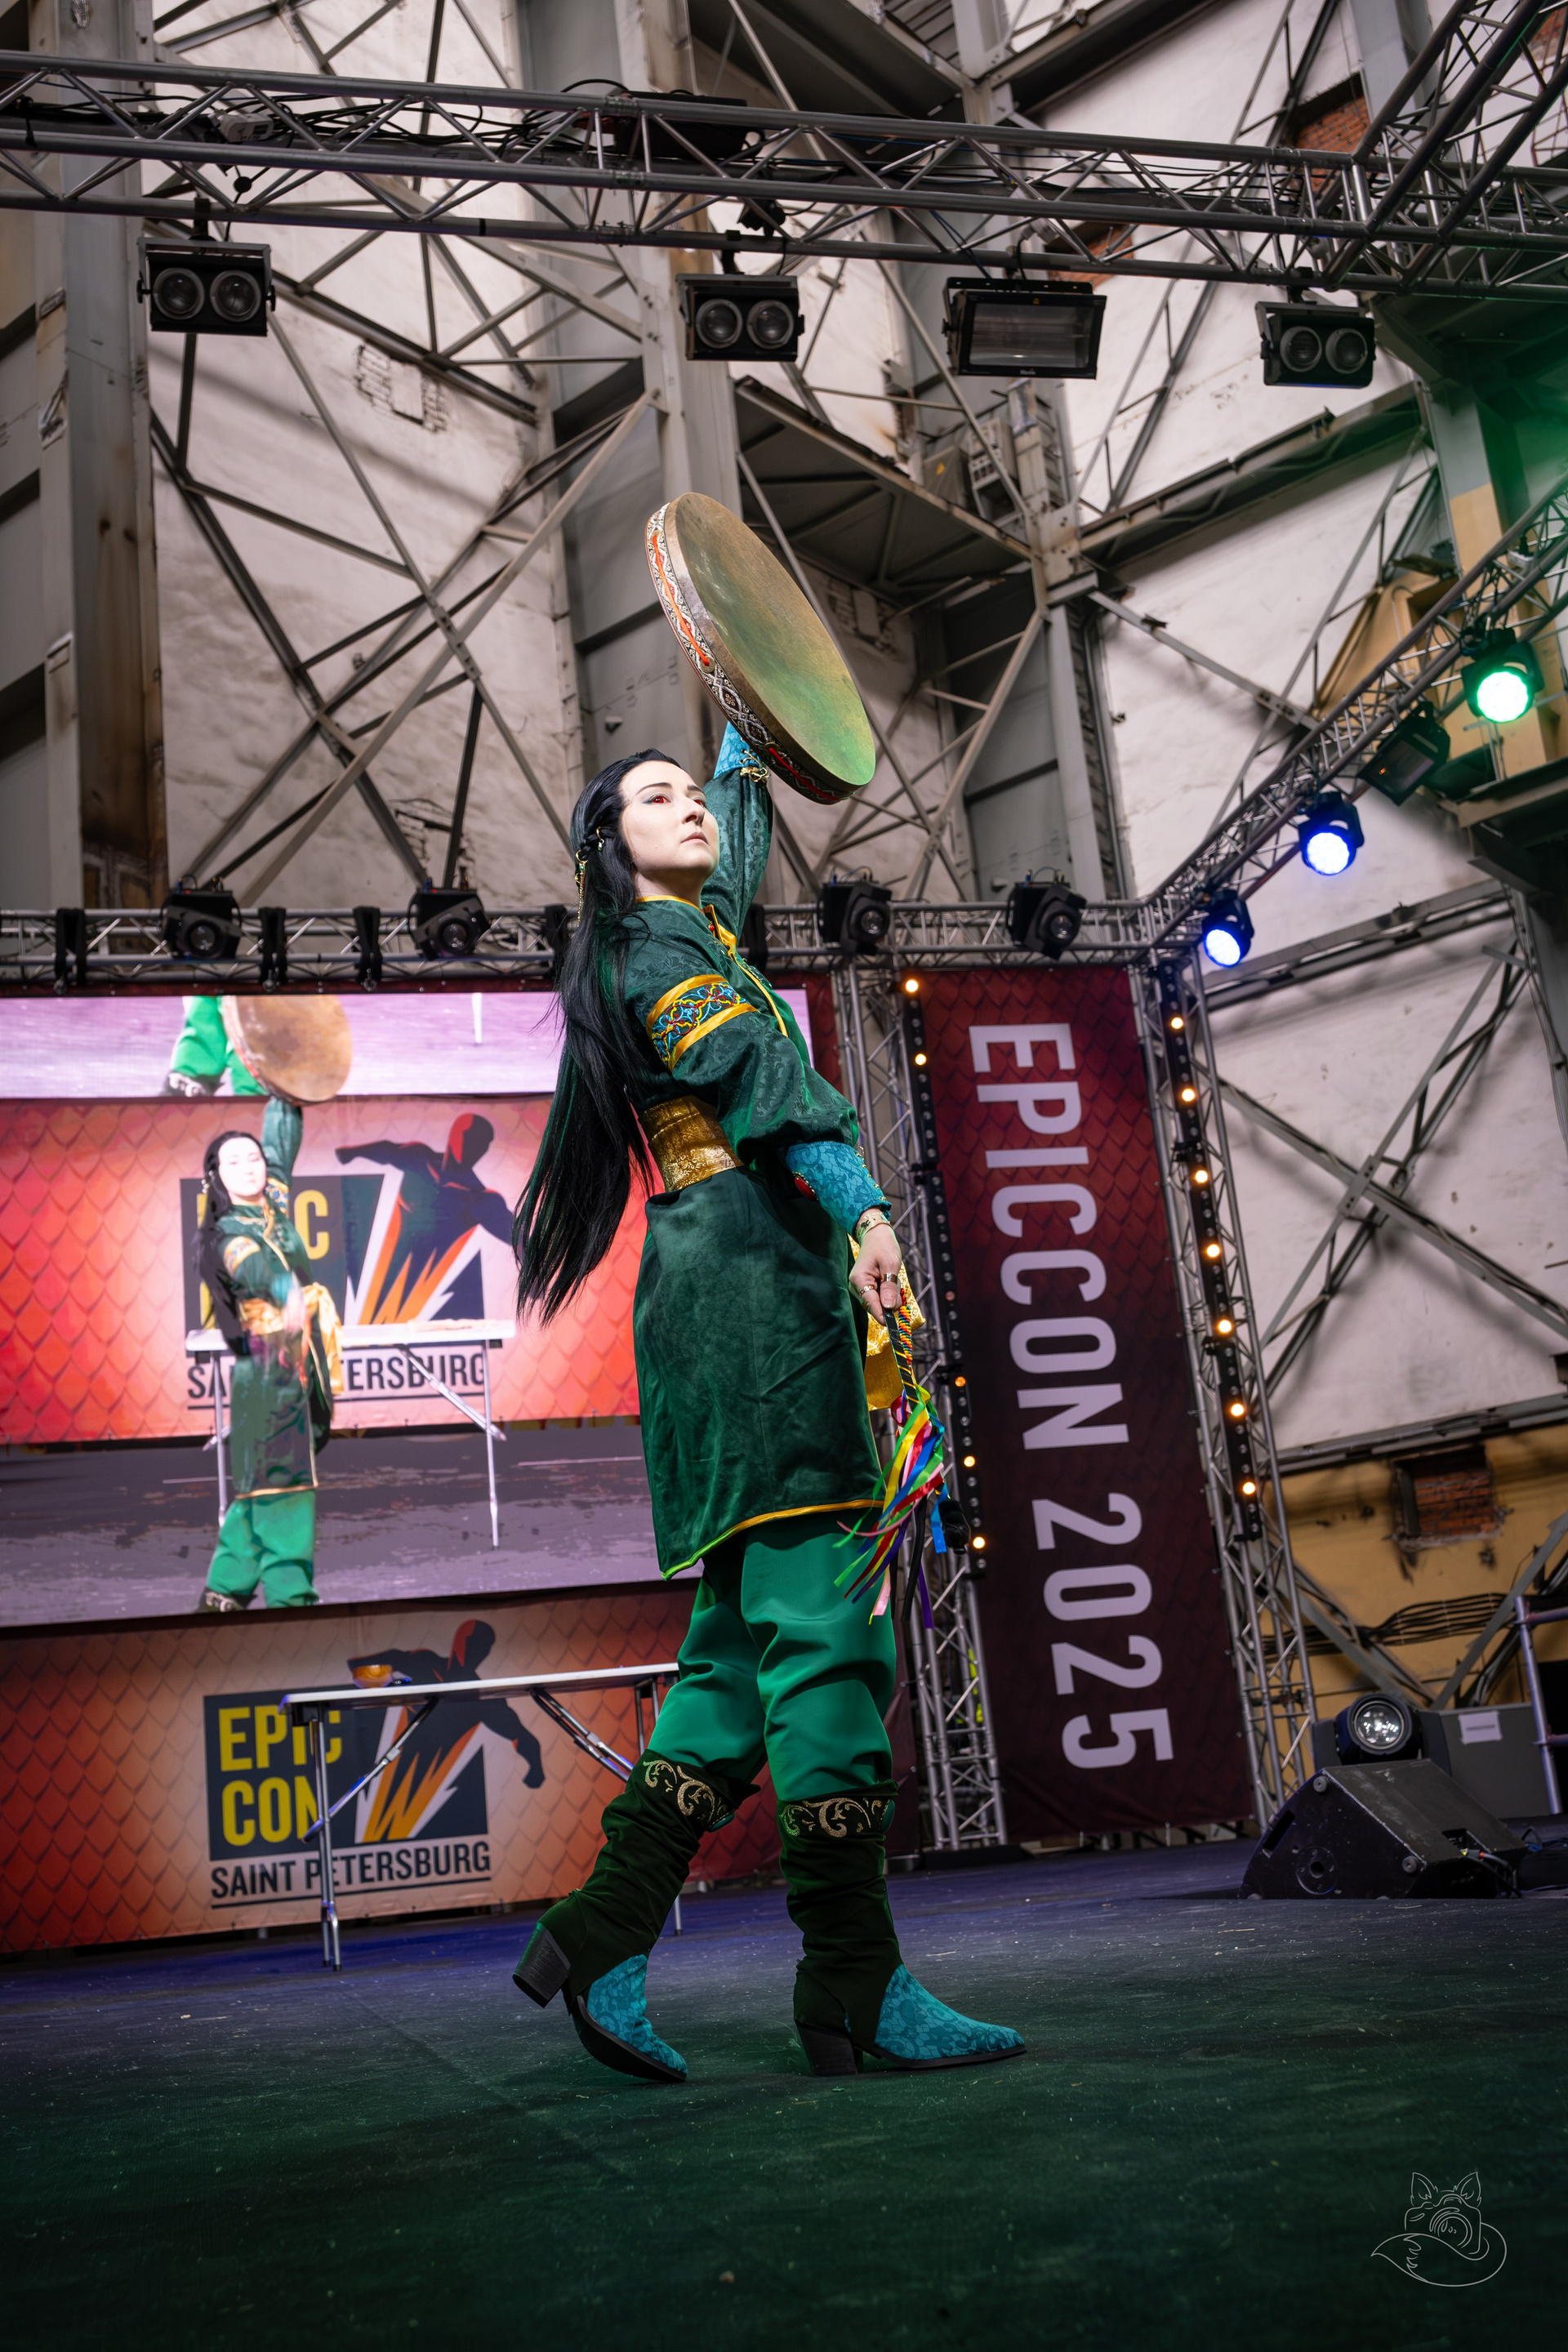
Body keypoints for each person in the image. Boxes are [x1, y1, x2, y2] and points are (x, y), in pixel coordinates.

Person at [510, 724, 1023, 2082]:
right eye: (655, 796)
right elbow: (766, 1088)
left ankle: (603, 1931)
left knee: (737, 1661)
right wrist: (865, 1212)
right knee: (831, 1638)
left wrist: (747, 727)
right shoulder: (653, 953)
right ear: (606, 844)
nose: (687, 806)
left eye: (692, 791)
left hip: (730, 1297)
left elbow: (731, 856)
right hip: (754, 1303)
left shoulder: (691, 933)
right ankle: (855, 1977)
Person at [195, 1096, 343, 1611]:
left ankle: (224, 1591)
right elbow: (253, 1268)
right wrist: (284, 1289)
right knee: (284, 1483)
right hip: (267, 1372)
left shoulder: (273, 1200)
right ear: (216, 1177)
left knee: (262, 1480)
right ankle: (291, 1598)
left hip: (297, 1362)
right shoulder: (226, 1234)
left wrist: (286, 1086)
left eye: (253, 1157)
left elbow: (280, 1142)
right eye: (233, 1162)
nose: (249, 1166)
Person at [336, 1112, 514, 1323]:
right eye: (472, 1140)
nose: (476, 1150)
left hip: (423, 1291)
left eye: (483, 1146)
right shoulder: (419, 1159)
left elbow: (517, 1236)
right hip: (378, 1275)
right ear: (456, 1134)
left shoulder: (480, 1199)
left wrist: (535, 1274)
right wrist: (350, 1153)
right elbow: (387, 1150)